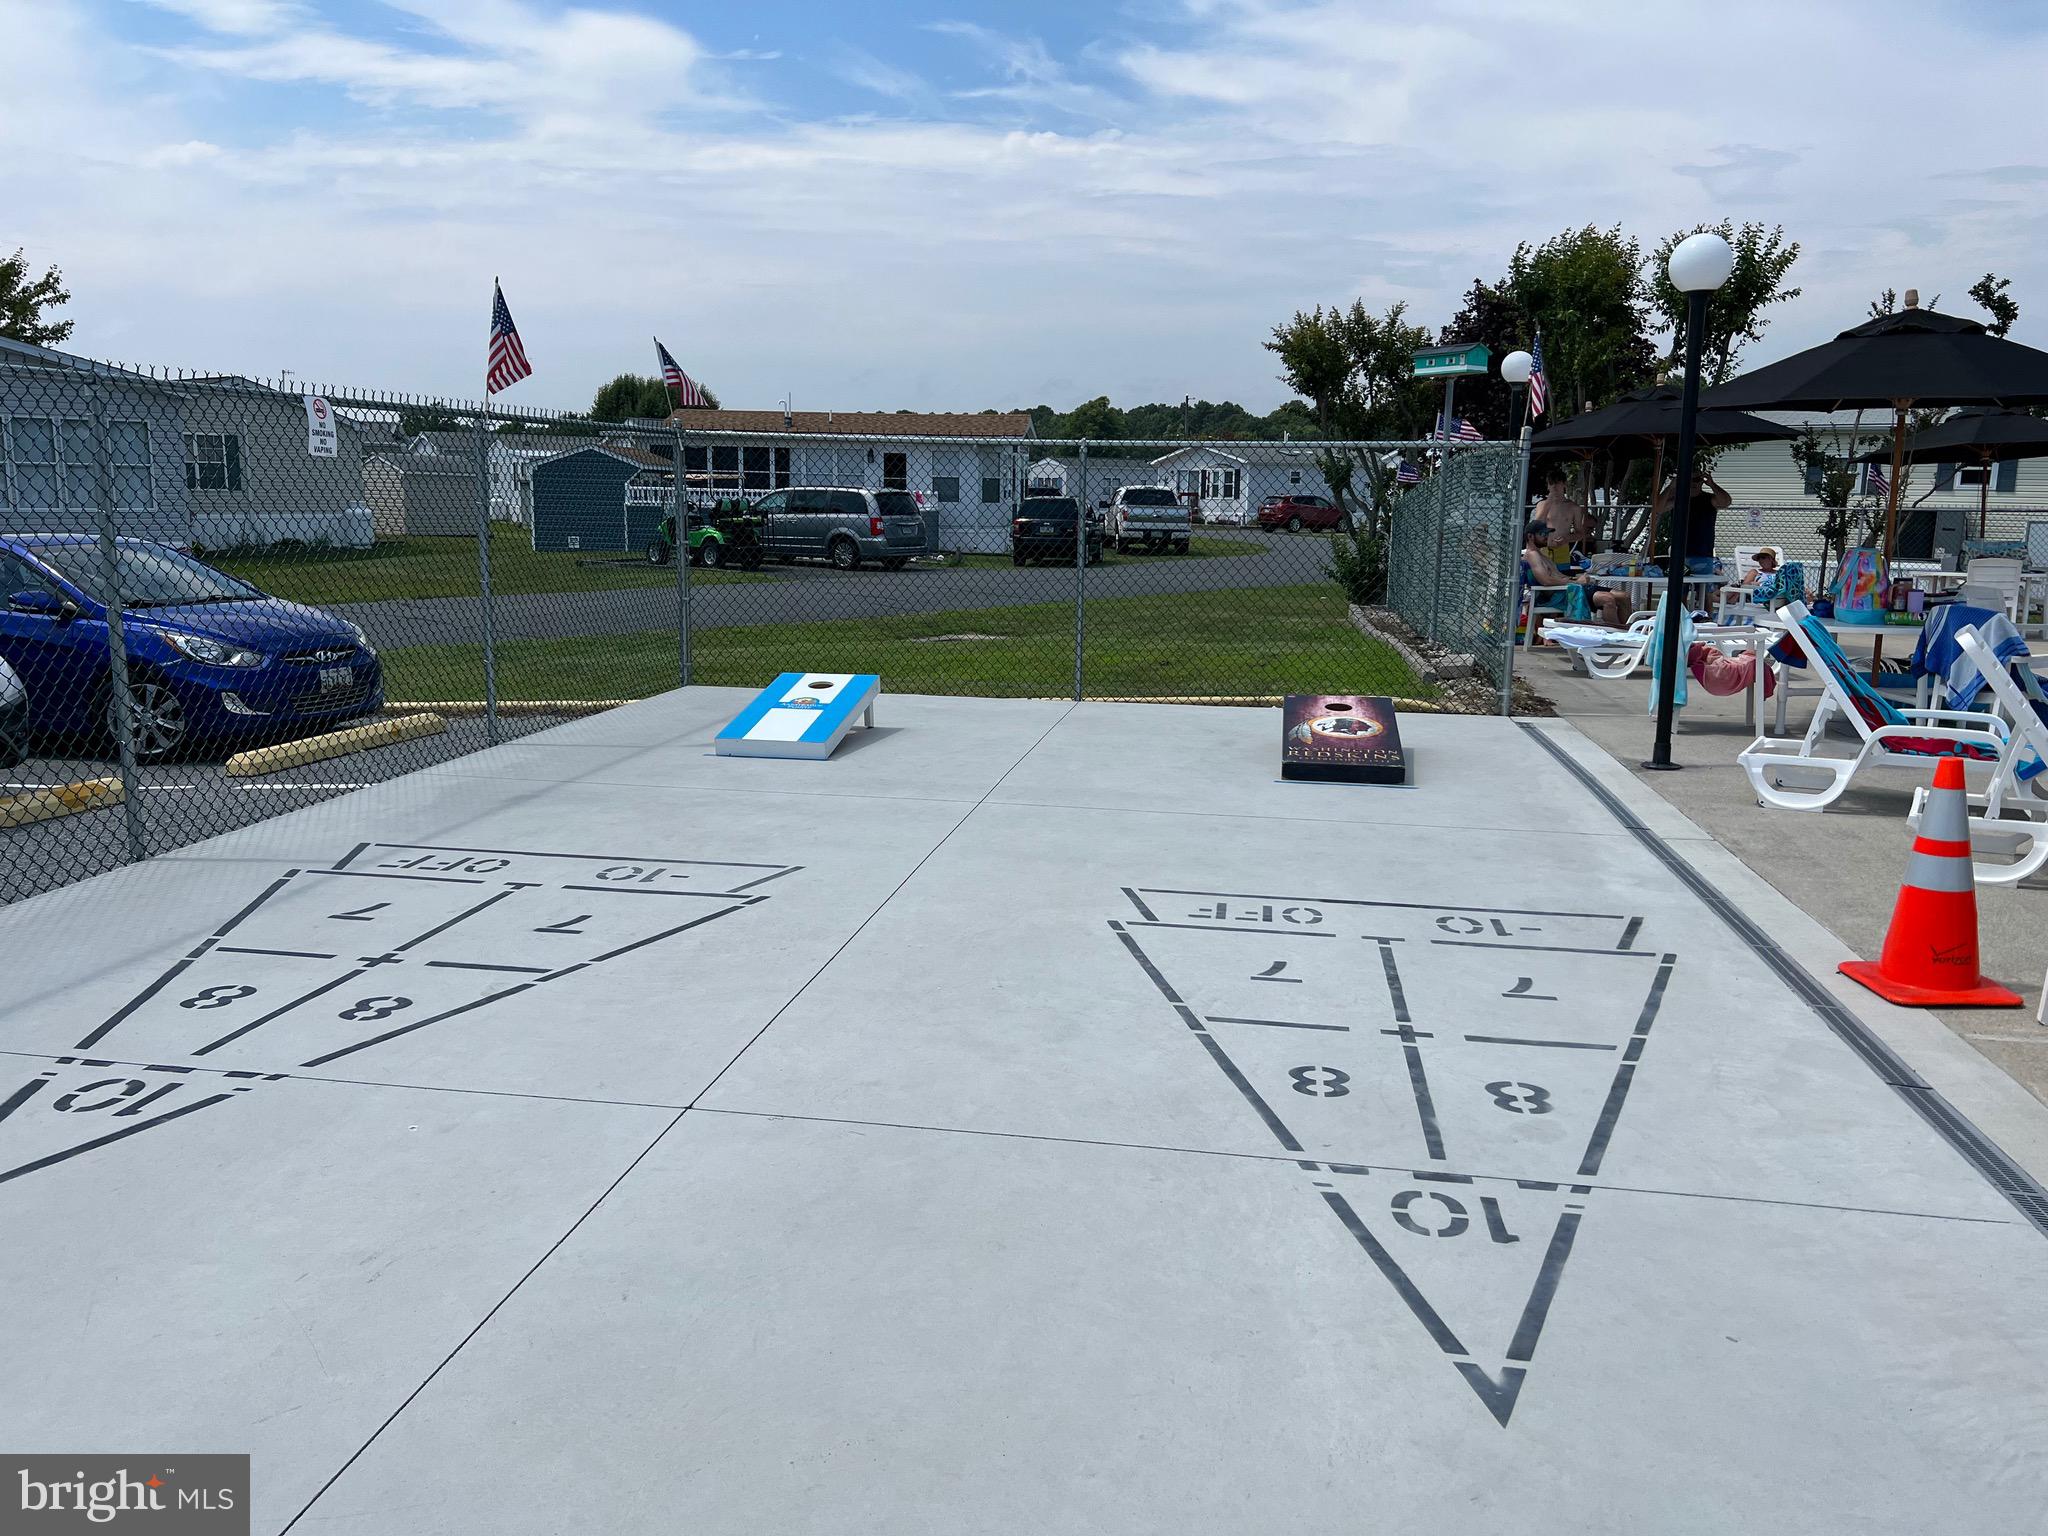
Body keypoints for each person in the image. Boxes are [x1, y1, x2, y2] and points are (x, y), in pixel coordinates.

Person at [1524, 525, 1628, 629]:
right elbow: (1546, 581)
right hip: (1562, 594)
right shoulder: (1532, 555)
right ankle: (1616, 637)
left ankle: (1629, 634)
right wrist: (1576, 582)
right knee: (1607, 599)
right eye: (1542, 534)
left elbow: (1559, 576)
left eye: (1547, 534)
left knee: (1624, 596)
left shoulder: (1541, 554)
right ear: (1530, 536)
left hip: (1568, 588)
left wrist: (1576, 579)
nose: (1546, 537)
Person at [1653, 467, 1731, 570]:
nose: (1693, 483)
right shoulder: (1678, 499)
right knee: (1679, 585)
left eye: (1697, 480)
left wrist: (1712, 484)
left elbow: (1726, 502)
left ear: (1702, 481)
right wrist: (1671, 487)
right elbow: (1658, 508)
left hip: (1703, 554)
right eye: (1690, 480)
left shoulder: (1709, 499)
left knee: (1702, 585)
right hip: (1679, 553)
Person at [1531, 468, 1591, 559]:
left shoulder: (1574, 508)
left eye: (1557, 483)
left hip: (1562, 550)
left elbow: (1580, 533)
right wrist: (1548, 504)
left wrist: (1567, 538)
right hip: (1542, 549)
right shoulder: (1541, 505)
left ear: (1564, 484)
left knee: (1562, 572)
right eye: (1551, 484)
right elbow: (1535, 527)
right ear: (1548, 486)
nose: (1554, 487)